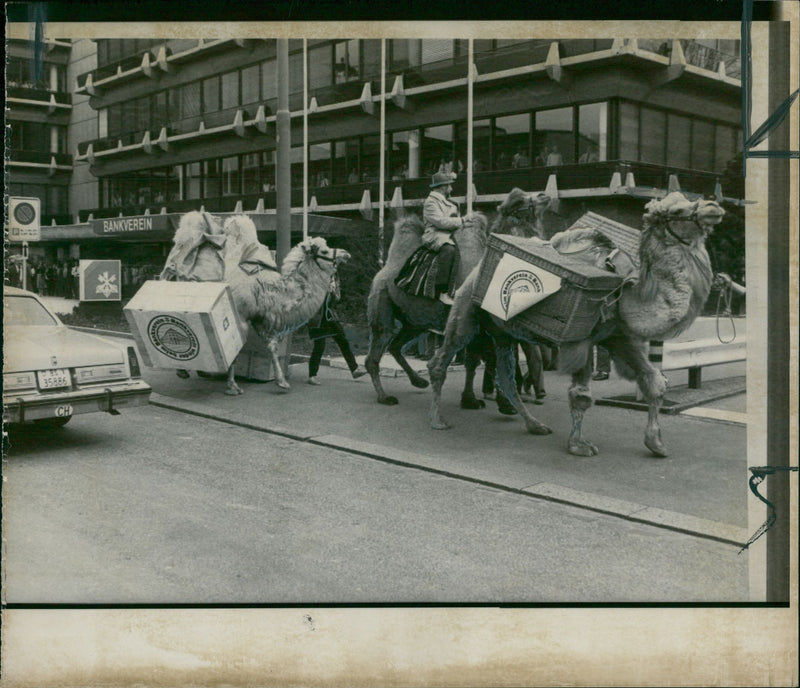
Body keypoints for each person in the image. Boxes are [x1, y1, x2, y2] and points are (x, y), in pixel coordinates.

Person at [307, 271, 367, 385]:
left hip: (330, 316)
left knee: (343, 341)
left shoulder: (335, 277)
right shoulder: (317, 274)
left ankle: (354, 369)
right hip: (318, 317)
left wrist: (333, 293)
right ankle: (312, 375)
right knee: (319, 346)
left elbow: (337, 299)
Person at [421, 171, 464, 306]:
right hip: (435, 235)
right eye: (449, 186)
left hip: (449, 233)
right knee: (449, 251)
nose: (451, 189)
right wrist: (462, 220)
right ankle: (442, 291)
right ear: (442, 187)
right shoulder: (430, 202)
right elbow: (441, 222)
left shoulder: (450, 202)